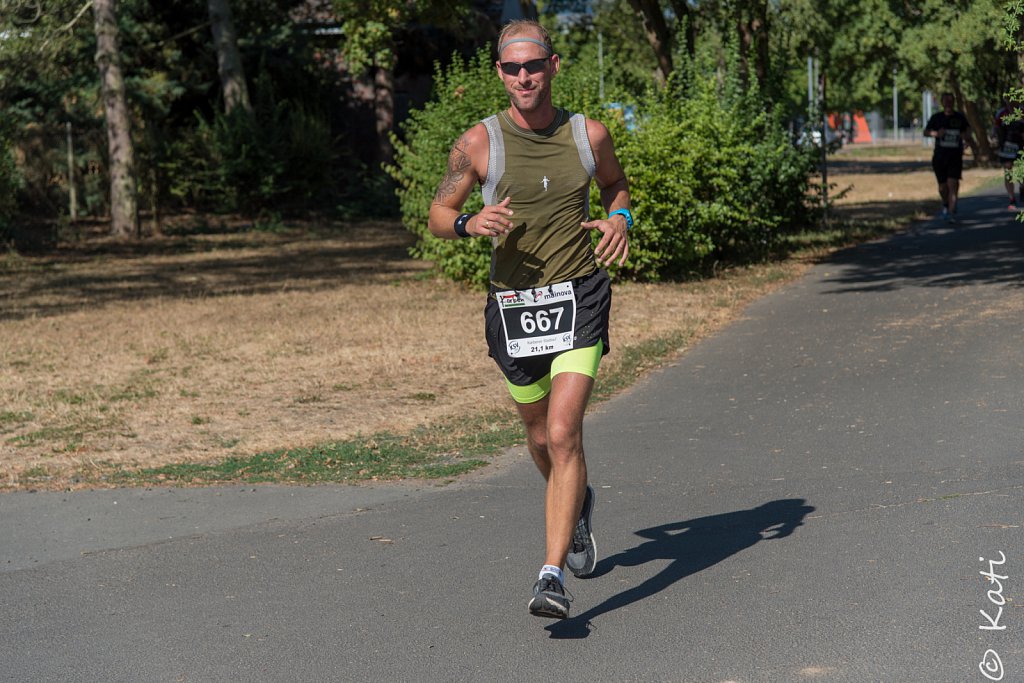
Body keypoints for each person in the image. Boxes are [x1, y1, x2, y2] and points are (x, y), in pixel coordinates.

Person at [427, 19, 632, 620]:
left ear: (553, 66)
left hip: (580, 297)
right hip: (513, 308)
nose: (524, 77)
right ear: (500, 72)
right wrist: (469, 224)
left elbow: (618, 187)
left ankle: (550, 574)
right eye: (512, 67)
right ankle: (577, 502)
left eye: (533, 65)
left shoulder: (587, 135)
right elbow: (439, 213)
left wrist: (622, 219)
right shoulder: (478, 143)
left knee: (565, 432)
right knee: (540, 437)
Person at [923, 92, 974, 222]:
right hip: (940, 156)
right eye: (946, 101)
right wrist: (936, 133)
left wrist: (966, 138)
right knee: (942, 187)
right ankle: (946, 203)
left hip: (955, 156)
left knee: (953, 183)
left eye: (951, 101)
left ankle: (951, 211)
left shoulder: (959, 117)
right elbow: (926, 132)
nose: (948, 103)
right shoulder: (937, 118)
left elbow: (968, 130)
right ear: (942, 102)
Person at [993, 99, 1024, 210]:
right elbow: (995, 128)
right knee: (1008, 172)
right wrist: (995, 137)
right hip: (1006, 147)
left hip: (1020, 147)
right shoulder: (1001, 113)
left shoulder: (1022, 111)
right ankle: (1012, 199)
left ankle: (1022, 187)